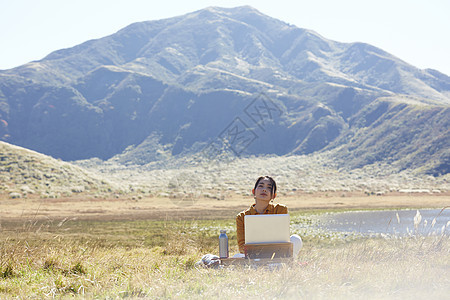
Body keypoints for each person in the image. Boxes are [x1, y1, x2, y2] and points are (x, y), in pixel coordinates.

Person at [236, 176, 302, 258]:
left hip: (277, 253)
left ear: (273, 196)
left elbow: (283, 239)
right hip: (254, 255)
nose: (264, 189)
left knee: (296, 239)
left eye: (269, 187)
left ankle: (279, 263)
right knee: (237, 256)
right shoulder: (242, 217)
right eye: (261, 186)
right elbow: (242, 247)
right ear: (254, 191)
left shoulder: (280, 210)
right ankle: (268, 265)